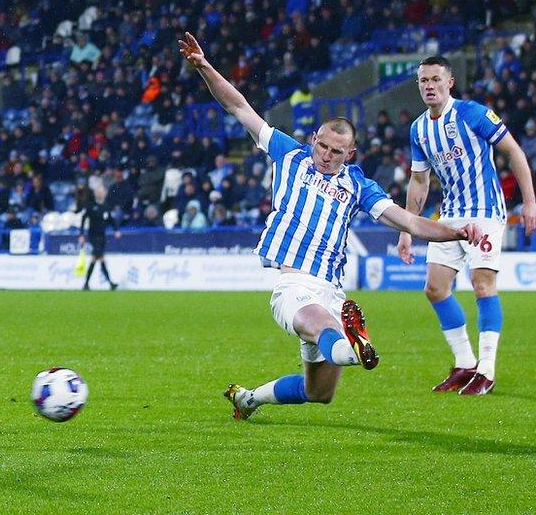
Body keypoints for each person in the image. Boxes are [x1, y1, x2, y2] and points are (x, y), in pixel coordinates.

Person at [178, 32, 483, 419]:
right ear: (313, 139)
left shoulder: (358, 185)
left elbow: (406, 220)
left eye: (337, 151)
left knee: (318, 392)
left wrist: (455, 231)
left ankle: (249, 399)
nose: (326, 155)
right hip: (294, 285)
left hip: (332, 290)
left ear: (349, 153)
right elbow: (239, 106)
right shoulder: (289, 154)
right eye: (322, 146)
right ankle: (354, 343)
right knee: (324, 327)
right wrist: (204, 66)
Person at [397, 56, 536, 396]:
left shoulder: (473, 113)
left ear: (450, 83)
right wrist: (406, 228)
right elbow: (419, 182)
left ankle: (486, 372)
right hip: (449, 216)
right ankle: (465, 364)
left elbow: (515, 153)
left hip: (485, 211)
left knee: (482, 286)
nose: (429, 85)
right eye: (423, 81)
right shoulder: (418, 129)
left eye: (435, 79)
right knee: (435, 288)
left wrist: (530, 201)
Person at [78, 186, 121, 291]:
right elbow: (83, 219)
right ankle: (110, 283)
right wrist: (81, 234)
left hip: (102, 235)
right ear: (95, 194)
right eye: (98, 192)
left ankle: (87, 284)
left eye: (102, 192)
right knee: (99, 257)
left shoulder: (106, 207)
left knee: (97, 258)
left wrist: (116, 230)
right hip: (93, 235)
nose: (100, 194)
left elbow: (111, 219)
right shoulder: (91, 206)